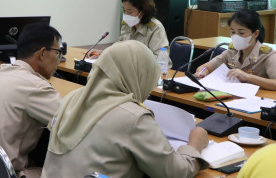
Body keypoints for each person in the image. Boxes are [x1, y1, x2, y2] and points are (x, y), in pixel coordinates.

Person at [42, 40, 209, 178]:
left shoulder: (72, 98)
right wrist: (194, 145)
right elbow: (175, 173)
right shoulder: (134, 117)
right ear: (139, 75)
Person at [0, 23, 63, 178]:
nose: (59, 60)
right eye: (58, 52)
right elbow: (71, 123)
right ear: (42, 53)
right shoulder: (35, 86)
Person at [195, 9, 276, 90]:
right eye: (233, 32)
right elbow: (206, 67)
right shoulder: (232, 51)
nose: (236, 37)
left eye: (241, 33)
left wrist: (248, 77)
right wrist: (202, 73)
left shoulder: (268, 55)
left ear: (255, 34)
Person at [88, 0, 170, 59]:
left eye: (129, 12)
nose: (126, 15)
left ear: (143, 12)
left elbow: (159, 59)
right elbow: (119, 50)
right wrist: (103, 53)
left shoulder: (155, 28)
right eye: (124, 10)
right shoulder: (127, 25)